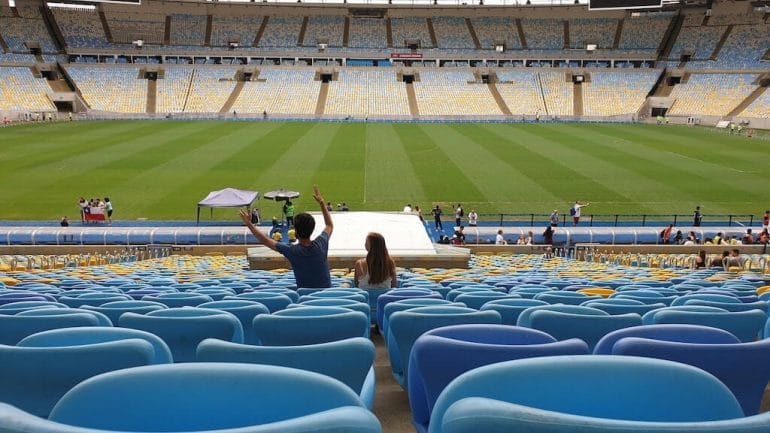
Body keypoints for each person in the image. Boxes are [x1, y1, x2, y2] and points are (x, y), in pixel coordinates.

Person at [240, 185, 333, 289]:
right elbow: (329, 225)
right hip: (326, 295)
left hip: (304, 300)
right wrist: (321, 202)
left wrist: (249, 224)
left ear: (296, 232)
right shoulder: (321, 243)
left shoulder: (292, 250)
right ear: (312, 229)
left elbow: (265, 240)